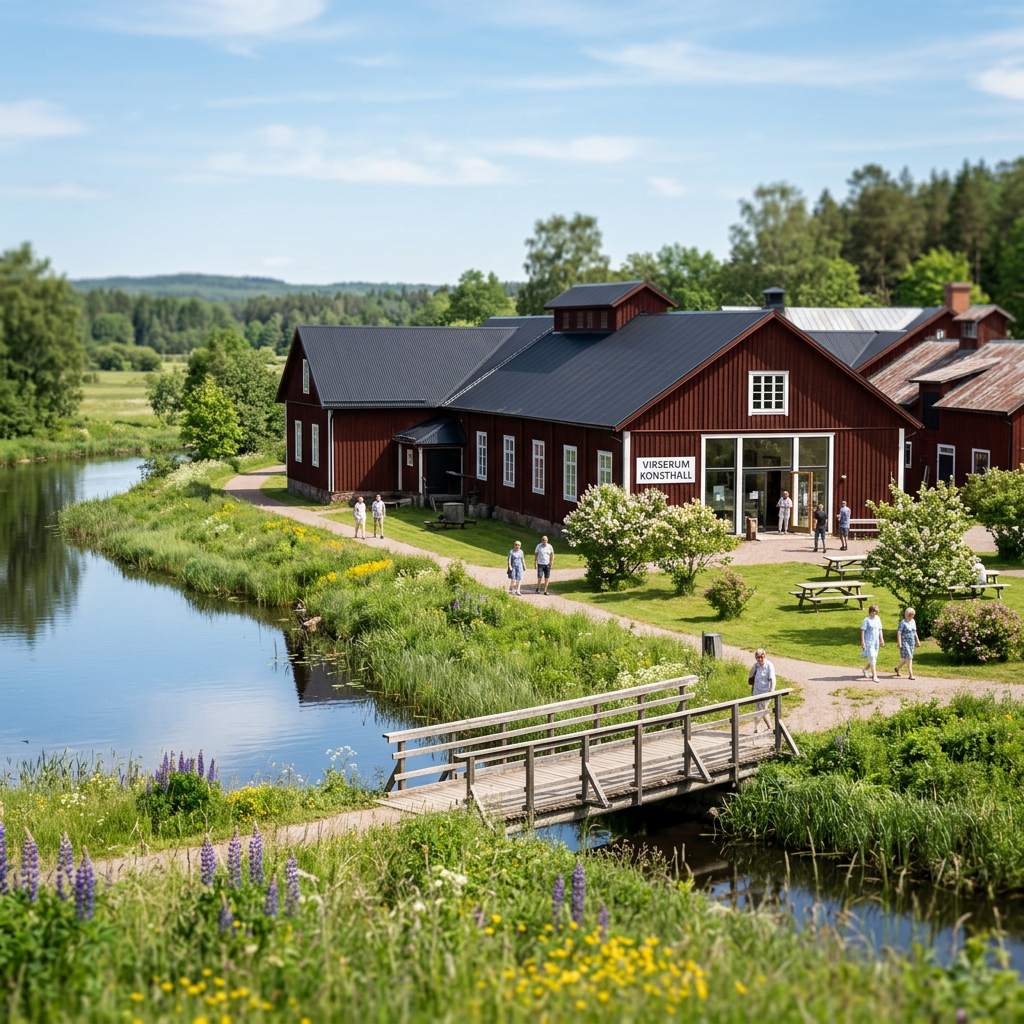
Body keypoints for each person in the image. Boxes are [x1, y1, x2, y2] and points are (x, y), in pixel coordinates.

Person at [747, 648, 776, 733]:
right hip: (757, 691)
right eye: (758, 657)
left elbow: (772, 679)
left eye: (761, 657)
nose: (760, 659)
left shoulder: (769, 665)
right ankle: (758, 727)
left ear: (765, 656)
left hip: (766, 691)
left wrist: (771, 691)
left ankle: (765, 726)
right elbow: (751, 678)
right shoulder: (756, 666)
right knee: (759, 709)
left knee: (763, 708)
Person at [860, 604, 884, 682]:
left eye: (876, 612)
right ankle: (874, 676)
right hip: (869, 642)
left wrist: (881, 639)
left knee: (874, 658)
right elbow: (863, 631)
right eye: (873, 611)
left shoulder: (878, 619)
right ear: (870, 611)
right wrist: (863, 642)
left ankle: (865, 670)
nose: (875, 613)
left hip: (876, 641)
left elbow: (880, 629)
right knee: (872, 658)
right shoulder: (866, 620)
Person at [894, 607, 919, 679]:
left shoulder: (913, 621)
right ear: (906, 614)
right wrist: (899, 643)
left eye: (911, 615)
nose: (910, 617)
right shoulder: (903, 622)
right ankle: (911, 674)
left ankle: (897, 668)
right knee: (909, 657)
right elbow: (899, 633)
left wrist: (917, 641)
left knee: (907, 657)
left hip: (911, 642)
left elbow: (914, 632)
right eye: (909, 615)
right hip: (904, 642)